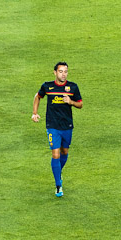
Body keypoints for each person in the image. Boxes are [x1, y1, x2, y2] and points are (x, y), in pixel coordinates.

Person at [32, 62, 83, 197]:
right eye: (61, 71)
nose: (63, 74)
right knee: (55, 154)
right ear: (55, 72)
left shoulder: (72, 87)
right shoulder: (47, 86)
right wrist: (34, 112)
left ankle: (58, 172)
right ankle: (58, 185)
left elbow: (80, 104)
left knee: (64, 152)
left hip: (67, 125)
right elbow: (37, 96)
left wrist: (70, 102)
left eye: (65, 71)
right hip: (52, 125)